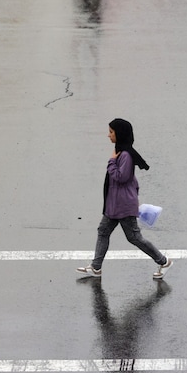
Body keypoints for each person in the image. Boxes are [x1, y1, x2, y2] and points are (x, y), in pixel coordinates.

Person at [77, 118, 172, 279]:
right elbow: (132, 181)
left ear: (119, 134)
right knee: (103, 231)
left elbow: (122, 177)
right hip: (115, 204)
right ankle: (96, 267)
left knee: (134, 237)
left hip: (122, 205)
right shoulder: (122, 151)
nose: (109, 135)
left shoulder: (125, 155)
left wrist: (111, 161)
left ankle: (163, 261)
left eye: (111, 132)